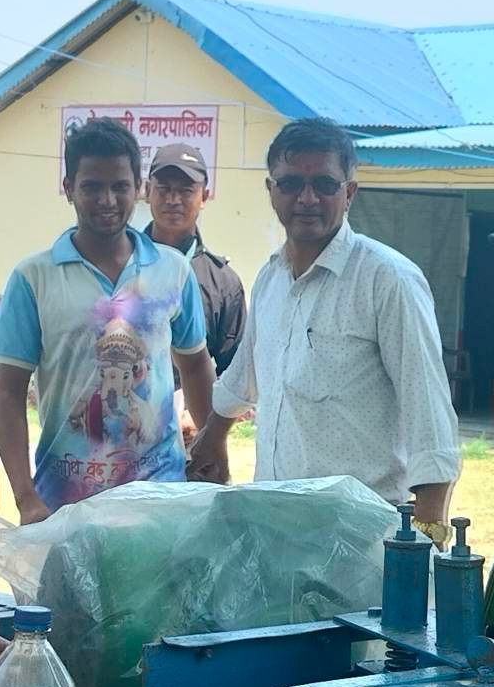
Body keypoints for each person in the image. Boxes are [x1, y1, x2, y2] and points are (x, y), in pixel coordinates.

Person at [188, 117, 460, 538]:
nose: (308, 198)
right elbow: (246, 374)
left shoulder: (386, 280)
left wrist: (428, 532)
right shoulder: (270, 279)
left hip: (359, 530)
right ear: (271, 191)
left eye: (326, 185)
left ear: (349, 193)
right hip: (273, 521)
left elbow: (429, 413)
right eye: (292, 183)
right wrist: (213, 435)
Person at [0, 116, 215, 523]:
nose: (107, 200)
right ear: (68, 188)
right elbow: (8, 393)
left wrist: (211, 447)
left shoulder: (173, 271)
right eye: (92, 186)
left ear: (139, 190)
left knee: (159, 590)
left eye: (120, 186)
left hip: (159, 499)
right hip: (67, 500)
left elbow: (196, 364)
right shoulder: (33, 277)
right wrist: (25, 497)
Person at [144, 141, 245, 378]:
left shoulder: (223, 284)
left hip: (190, 413)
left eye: (186, 190)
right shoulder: (119, 263)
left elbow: (235, 374)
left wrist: (196, 410)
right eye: (164, 189)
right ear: (147, 191)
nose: (173, 199)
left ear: (204, 196)